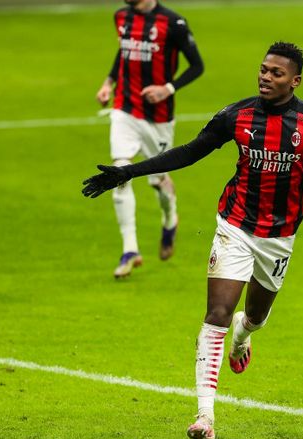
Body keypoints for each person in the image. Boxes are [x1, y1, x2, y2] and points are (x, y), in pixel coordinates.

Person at [83, 42, 303, 439]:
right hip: (235, 226)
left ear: (295, 81)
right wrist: (128, 172)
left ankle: (242, 338)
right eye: (263, 69)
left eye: (276, 73)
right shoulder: (237, 115)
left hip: (279, 238)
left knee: (255, 317)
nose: (265, 76)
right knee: (217, 311)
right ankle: (204, 417)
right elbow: (191, 152)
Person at [96, 0, 204, 278]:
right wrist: (109, 83)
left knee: (158, 182)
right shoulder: (121, 16)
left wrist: (167, 89)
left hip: (158, 117)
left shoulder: (173, 23)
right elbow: (124, 53)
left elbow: (197, 66)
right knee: (119, 170)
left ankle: (170, 218)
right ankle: (129, 249)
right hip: (124, 108)